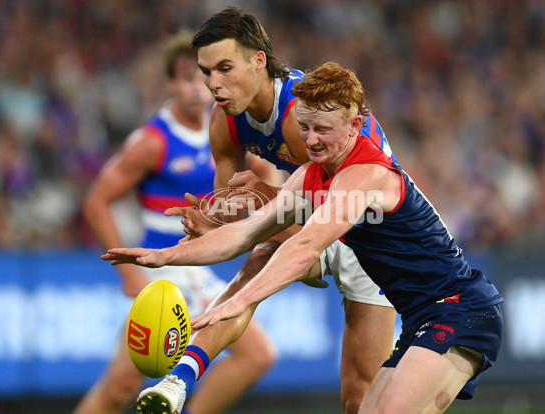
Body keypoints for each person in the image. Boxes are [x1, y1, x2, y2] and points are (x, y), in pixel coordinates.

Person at [104, 61, 504, 414]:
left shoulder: (365, 173)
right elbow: (244, 234)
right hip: (420, 318)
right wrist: (164, 257)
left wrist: (240, 300)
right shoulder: (311, 174)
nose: (310, 140)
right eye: (305, 127)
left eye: (322, 130)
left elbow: (306, 245)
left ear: (355, 125)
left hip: (459, 310)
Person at [133, 7, 398, 414]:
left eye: (224, 68)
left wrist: (264, 208)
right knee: (252, 267)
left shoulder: (300, 117)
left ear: (259, 60)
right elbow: (238, 213)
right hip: (318, 217)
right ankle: (178, 380)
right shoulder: (225, 121)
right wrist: (212, 219)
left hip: (376, 231)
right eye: (206, 72)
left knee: (359, 398)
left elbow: (329, 217)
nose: (213, 84)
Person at [75, 30, 277, 414]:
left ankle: (177, 403)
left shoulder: (225, 126)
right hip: (162, 272)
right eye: (185, 77)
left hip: (197, 268)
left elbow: (258, 175)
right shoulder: (153, 140)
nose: (197, 88)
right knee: (120, 386)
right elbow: (96, 202)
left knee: (257, 355)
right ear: (170, 83)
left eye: (200, 77)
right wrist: (129, 275)